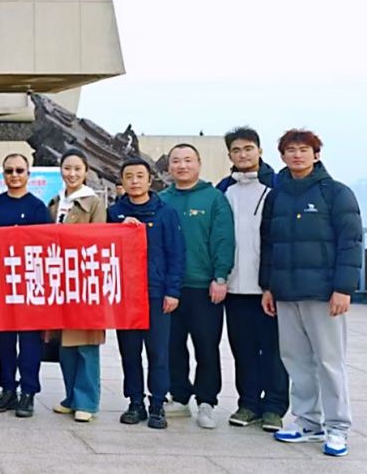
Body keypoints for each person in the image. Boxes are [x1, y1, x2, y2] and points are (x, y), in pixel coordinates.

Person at [261, 129, 362, 457]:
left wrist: (343, 288)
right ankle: (307, 421)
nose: (297, 155)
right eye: (290, 150)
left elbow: (350, 242)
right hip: (286, 292)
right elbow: (268, 244)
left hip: (323, 294)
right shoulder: (276, 195)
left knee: (329, 361)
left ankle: (337, 427)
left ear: (316, 155)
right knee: (296, 360)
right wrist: (268, 286)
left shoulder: (336, 193)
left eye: (304, 150)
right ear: (282, 156)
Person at [216, 127, 288, 431]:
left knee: (273, 350)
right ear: (229, 155)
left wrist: (272, 283)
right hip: (234, 286)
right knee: (242, 350)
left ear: (259, 150)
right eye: (236, 150)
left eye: (248, 148)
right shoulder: (224, 190)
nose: (243, 155)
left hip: (267, 287)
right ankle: (248, 403)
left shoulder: (277, 187)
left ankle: (274, 407)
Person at [159, 144, 234, 428]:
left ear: (199, 164)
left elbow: (223, 239)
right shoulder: (162, 200)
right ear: (169, 167)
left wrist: (220, 277)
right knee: (172, 345)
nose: (182, 166)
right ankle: (179, 396)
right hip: (171, 288)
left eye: (188, 160)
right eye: (176, 161)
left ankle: (206, 401)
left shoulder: (214, 198)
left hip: (204, 287)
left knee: (206, 346)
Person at [109, 157, 186, 430]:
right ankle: (135, 402)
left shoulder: (166, 213)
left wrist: (172, 291)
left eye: (140, 176)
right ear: (122, 181)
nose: (134, 181)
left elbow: (176, 254)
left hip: (155, 293)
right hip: (125, 295)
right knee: (129, 352)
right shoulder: (114, 213)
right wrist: (119, 230)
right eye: (129, 176)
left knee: (158, 352)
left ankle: (157, 404)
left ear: (149, 180)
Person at [0, 153, 52, 418]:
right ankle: (8, 389)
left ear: (28, 174)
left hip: (29, 285)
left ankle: (28, 392)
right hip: (1, 284)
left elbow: (47, 245)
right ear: (3, 175)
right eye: (9, 171)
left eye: (19, 170)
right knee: (3, 342)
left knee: (30, 342)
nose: (14, 175)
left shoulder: (37, 207)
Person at [46, 150, 107, 423]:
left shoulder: (93, 202)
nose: (71, 174)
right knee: (65, 345)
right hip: (59, 282)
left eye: (77, 169)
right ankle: (71, 397)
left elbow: (99, 240)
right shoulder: (56, 201)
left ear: (85, 172)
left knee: (86, 344)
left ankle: (87, 402)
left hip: (84, 282)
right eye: (67, 168)